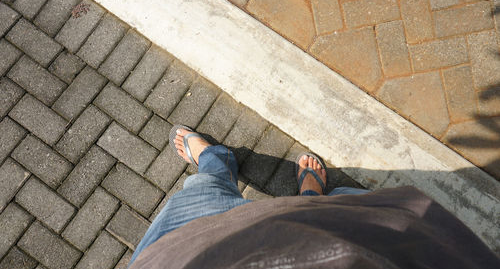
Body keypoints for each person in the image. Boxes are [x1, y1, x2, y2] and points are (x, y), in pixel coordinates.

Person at [128, 125, 499, 268]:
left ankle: (216, 160)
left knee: (205, 186)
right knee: (348, 208)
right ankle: (312, 196)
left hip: (180, 252)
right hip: (354, 243)